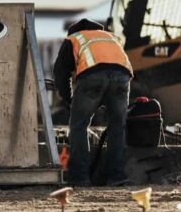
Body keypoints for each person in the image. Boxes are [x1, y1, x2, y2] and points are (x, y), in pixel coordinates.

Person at [53, 18, 132, 187]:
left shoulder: (74, 38)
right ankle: (116, 176)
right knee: (118, 126)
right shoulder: (111, 37)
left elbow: (60, 73)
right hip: (122, 76)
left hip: (93, 77)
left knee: (78, 126)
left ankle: (79, 178)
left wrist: (69, 101)